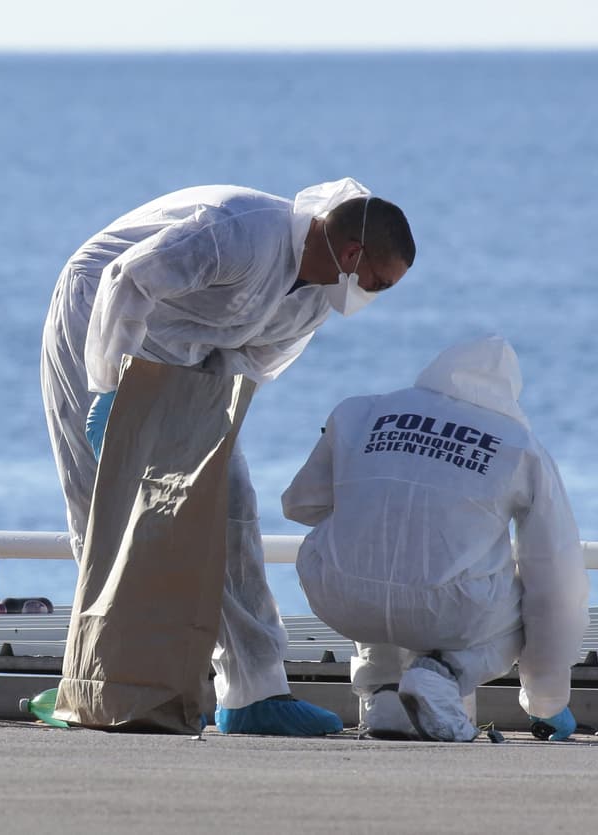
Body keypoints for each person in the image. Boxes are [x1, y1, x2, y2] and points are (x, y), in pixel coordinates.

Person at [40, 178, 415, 735]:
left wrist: (206, 448)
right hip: (95, 321)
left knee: (229, 505)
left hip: (188, 358)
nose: (374, 295)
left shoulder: (314, 301)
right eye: (378, 284)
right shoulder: (238, 231)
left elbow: (249, 363)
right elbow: (127, 280)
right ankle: (101, 679)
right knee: (103, 507)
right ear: (354, 255)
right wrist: (107, 388)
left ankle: (252, 692)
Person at [281, 335, 588, 742]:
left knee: (366, 547)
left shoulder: (361, 412)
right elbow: (556, 580)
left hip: (340, 597)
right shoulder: (518, 447)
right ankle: (445, 675)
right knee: (532, 597)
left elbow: (299, 505)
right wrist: (547, 701)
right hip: (450, 611)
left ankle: (384, 695)